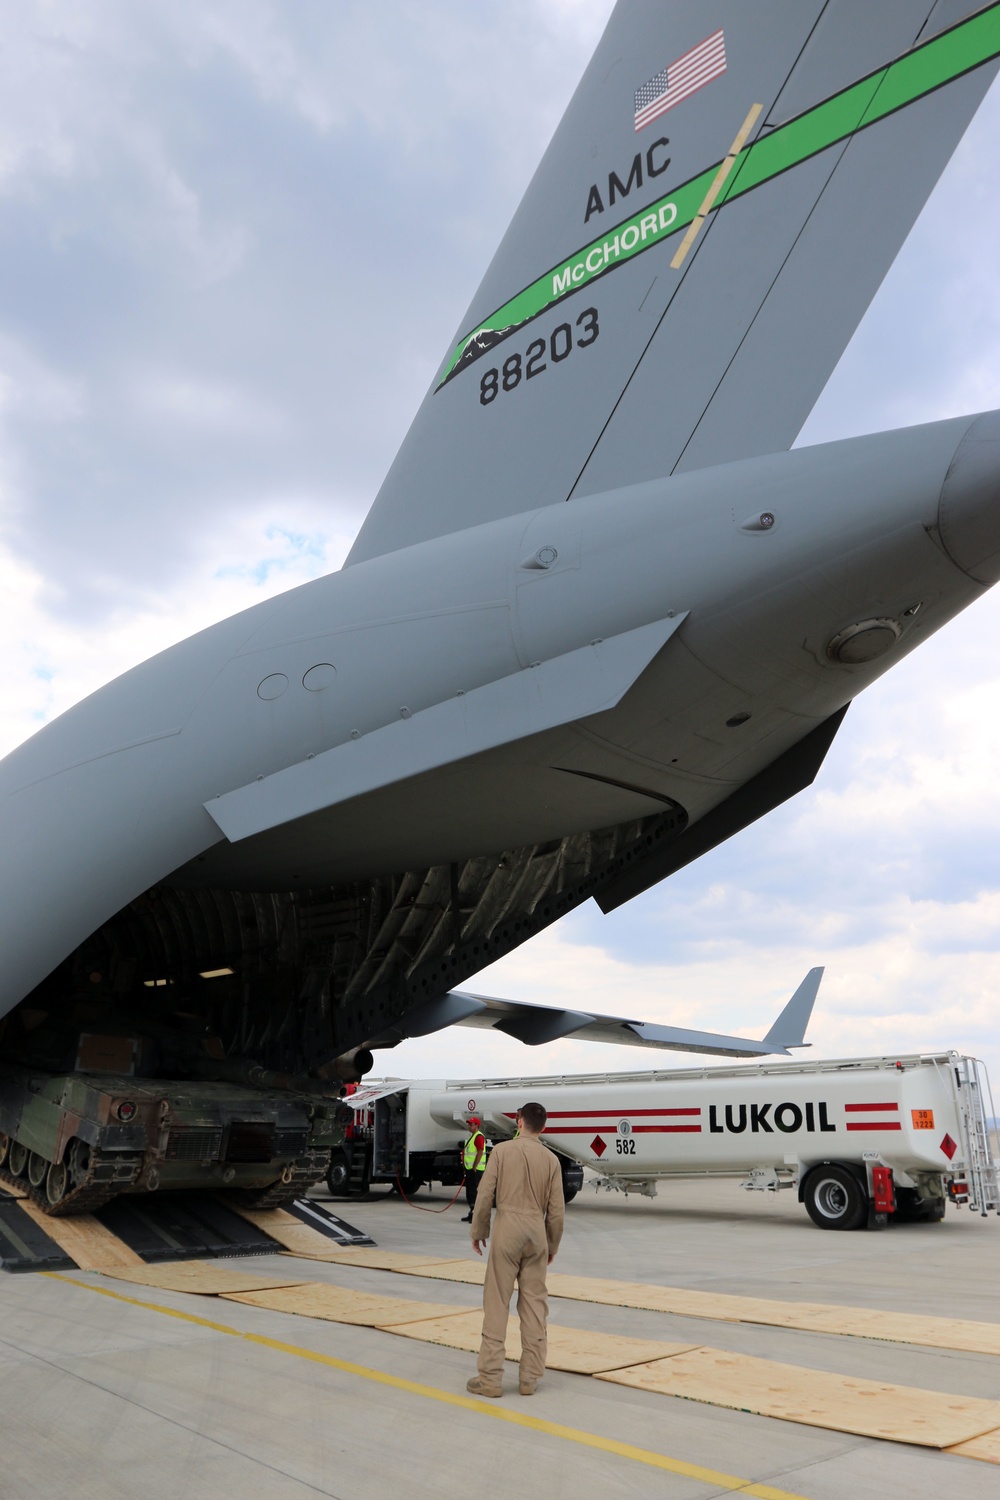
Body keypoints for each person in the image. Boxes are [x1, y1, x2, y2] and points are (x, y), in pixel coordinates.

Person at [466, 1101, 564, 1399]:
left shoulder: (502, 1152)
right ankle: (529, 1378)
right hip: (536, 1233)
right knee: (535, 1305)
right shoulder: (551, 1160)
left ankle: (491, 1378)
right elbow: (557, 1212)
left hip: (507, 1228)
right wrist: (552, 1244)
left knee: (497, 1302)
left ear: (519, 1121)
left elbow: (485, 1194)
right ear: (543, 1126)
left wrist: (479, 1230)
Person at [461, 1116, 487, 1223]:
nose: (469, 1126)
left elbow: (480, 1152)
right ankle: (472, 1213)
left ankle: (476, 1216)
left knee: (474, 1193)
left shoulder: (478, 1137)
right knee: (470, 1193)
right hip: (470, 1169)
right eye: (469, 1124)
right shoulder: (473, 1137)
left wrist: (475, 1166)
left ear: (477, 1125)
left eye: (471, 1124)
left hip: (475, 1170)